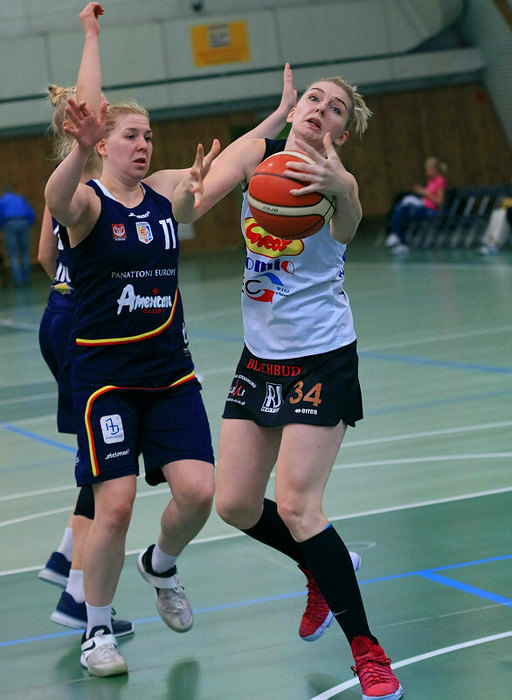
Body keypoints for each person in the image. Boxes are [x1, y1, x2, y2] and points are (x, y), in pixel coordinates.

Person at [173, 73, 403, 699]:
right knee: (235, 504)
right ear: (297, 109)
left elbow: (349, 226)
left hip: (321, 358)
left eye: (336, 109)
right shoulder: (259, 155)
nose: (321, 110)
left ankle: (368, 652)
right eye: (314, 99)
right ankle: (319, 564)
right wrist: (192, 189)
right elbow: (190, 209)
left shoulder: (337, 182)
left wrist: (342, 188)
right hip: (260, 358)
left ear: (342, 132)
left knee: (299, 505)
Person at [44, 2, 218, 677]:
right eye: (131, 136)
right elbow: (57, 197)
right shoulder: (87, 200)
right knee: (112, 505)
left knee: (199, 493)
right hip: (106, 377)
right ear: (103, 144)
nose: (143, 145)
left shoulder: (165, 192)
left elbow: (215, 179)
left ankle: (161, 565)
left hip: (168, 372)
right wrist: (91, 38)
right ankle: (96, 630)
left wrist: (278, 124)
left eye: (149, 135)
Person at [38, 83, 133, 639]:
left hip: (58, 313)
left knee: (101, 457)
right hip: (85, 325)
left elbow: (45, 255)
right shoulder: (95, 184)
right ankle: (79, 594)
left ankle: (65, 559)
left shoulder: (65, 182)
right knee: (104, 466)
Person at [385, 156, 448, 253]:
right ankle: (398, 239)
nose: (426, 170)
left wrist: (425, 192)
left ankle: (398, 237)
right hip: (423, 206)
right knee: (400, 208)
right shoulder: (431, 180)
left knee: (403, 212)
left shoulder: (440, 180)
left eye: (428, 168)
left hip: (430, 210)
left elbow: (439, 201)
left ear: (434, 169)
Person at [0, 185, 36, 285]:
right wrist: (29, 224)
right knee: (25, 252)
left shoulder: (2, 200)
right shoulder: (20, 198)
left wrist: (3, 227)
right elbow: (31, 213)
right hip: (24, 222)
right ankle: (27, 279)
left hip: (9, 224)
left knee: (13, 254)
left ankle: (18, 281)